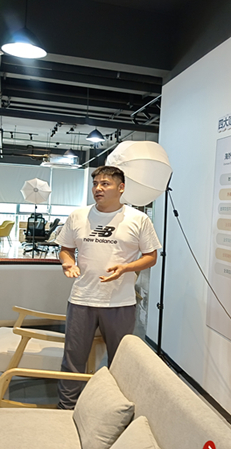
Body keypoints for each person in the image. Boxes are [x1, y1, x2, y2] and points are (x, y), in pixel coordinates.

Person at [55, 166, 162, 409]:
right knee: (73, 358)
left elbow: (151, 257)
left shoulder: (138, 219)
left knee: (121, 360)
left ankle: (114, 408)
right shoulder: (78, 216)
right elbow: (65, 249)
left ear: (121, 188)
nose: (98, 188)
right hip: (82, 298)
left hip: (120, 302)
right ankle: (66, 406)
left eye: (105, 184)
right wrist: (67, 263)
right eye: (95, 184)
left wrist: (126, 268)